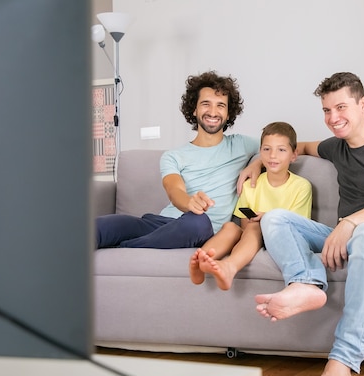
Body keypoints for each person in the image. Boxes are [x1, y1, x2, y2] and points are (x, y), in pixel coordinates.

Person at [253, 72, 364, 376]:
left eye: (341, 107)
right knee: (274, 219)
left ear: (363, 104)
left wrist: (348, 224)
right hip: (347, 231)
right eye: (326, 111)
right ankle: (306, 283)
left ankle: (344, 358)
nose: (333, 118)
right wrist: (253, 164)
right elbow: (295, 146)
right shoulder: (336, 147)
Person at [95, 71, 260, 250]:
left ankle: (127, 247)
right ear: (195, 109)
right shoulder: (173, 156)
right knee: (101, 226)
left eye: (220, 105)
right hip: (161, 222)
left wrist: (257, 163)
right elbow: (174, 189)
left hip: (199, 228)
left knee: (197, 221)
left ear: (228, 113)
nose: (213, 111)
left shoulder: (241, 145)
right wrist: (188, 202)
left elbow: (290, 146)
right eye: (206, 104)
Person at [189, 121, 313, 290]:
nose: (273, 155)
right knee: (230, 227)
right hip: (249, 235)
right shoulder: (250, 185)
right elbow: (244, 223)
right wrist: (253, 220)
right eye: (267, 149)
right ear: (260, 152)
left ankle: (230, 266)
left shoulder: (301, 186)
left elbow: (299, 227)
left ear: (293, 155)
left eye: (281, 150)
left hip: (280, 238)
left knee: (255, 227)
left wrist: (266, 218)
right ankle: (202, 260)